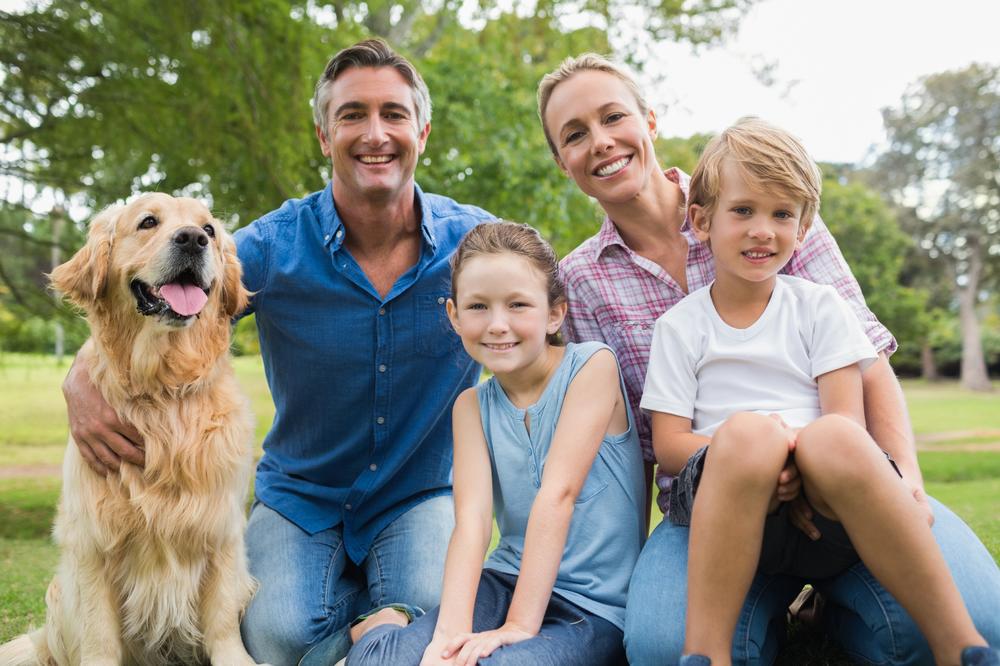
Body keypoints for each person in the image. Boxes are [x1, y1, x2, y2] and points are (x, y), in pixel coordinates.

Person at [537, 53, 1000, 665]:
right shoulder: (582, 282)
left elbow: (867, 366)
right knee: (658, 646)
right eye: (574, 134)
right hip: (709, 504)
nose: (599, 142)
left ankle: (836, 612)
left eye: (612, 116)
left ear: (648, 122)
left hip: (839, 481)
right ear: (561, 159)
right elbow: (636, 444)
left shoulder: (769, 202)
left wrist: (905, 481)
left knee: (977, 622)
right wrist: (735, 466)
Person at [60, 39, 493, 666]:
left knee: (436, 611)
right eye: (352, 115)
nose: (375, 133)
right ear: (324, 135)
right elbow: (147, 297)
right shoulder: (269, 245)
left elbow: (549, 299)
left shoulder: (475, 244)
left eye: (393, 114)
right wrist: (79, 378)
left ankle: (378, 620)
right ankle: (373, 624)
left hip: (418, 491)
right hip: (302, 495)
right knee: (273, 635)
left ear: (421, 131)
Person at [639, 117, 998, 666]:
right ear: (701, 220)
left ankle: (959, 646)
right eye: (744, 211)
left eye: (782, 214)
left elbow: (846, 423)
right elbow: (668, 444)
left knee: (833, 439)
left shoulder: (819, 306)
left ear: (804, 229)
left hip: (829, 496)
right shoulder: (680, 326)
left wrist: (795, 456)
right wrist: (758, 453)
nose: (764, 229)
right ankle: (706, 654)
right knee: (748, 436)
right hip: (726, 499)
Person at [346, 221, 645, 666]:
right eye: (479, 306)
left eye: (518, 304)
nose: (497, 324)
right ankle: (385, 630)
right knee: (406, 660)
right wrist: (447, 634)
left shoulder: (591, 366)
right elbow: (472, 525)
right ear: (454, 316)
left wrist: (519, 628)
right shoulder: (471, 407)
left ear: (555, 313)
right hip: (503, 581)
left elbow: (557, 497)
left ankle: (381, 632)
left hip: (592, 608)